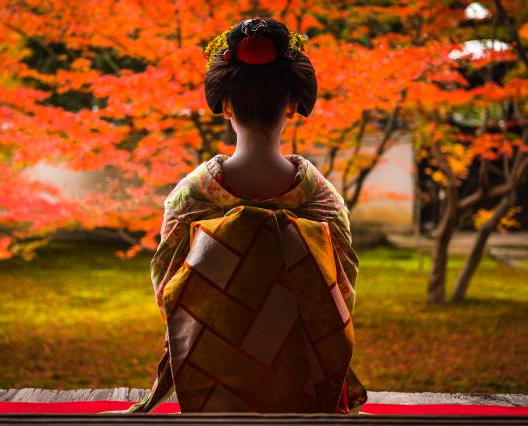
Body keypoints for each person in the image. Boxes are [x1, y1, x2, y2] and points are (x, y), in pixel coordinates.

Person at [121, 16, 367, 415]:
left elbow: (169, 293)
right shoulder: (321, 201)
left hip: (211, 381)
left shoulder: (190, 197)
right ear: (292, 103)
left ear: (225, 103)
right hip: (307, 380)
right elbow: (341, 293)